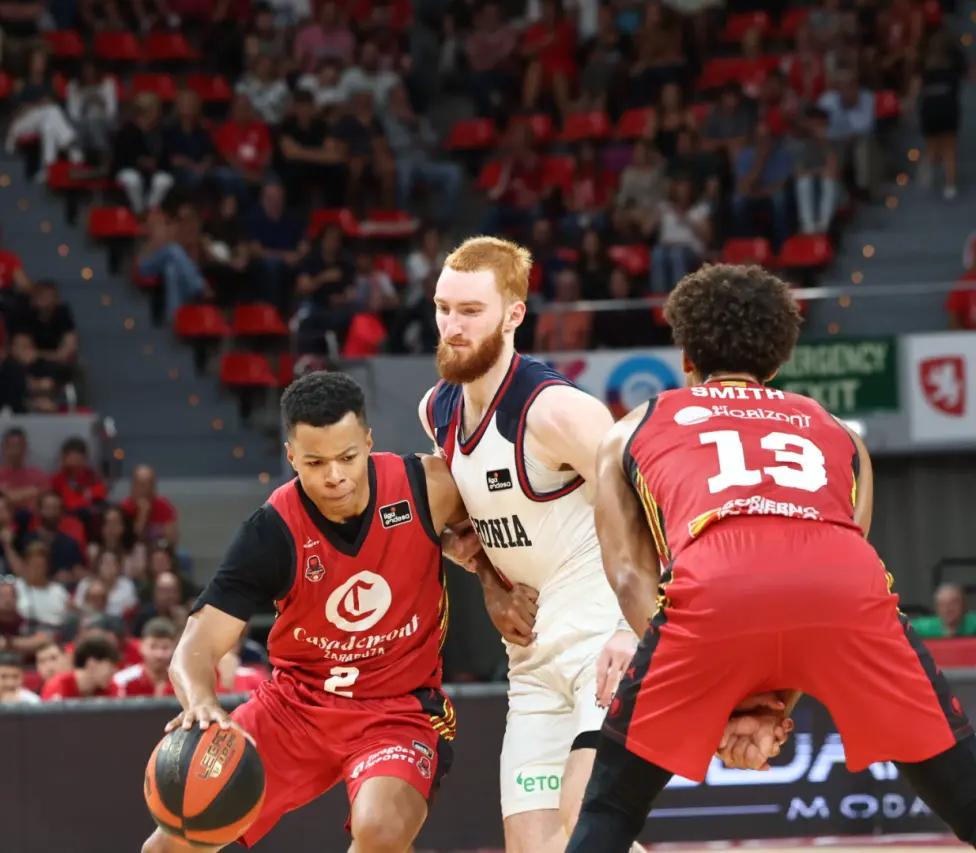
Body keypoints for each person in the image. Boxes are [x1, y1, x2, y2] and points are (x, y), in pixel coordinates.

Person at [564, 264, 976, 853]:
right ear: (777, 364)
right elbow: (811, 599)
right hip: (844, 585)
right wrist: (770, 705)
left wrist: (722, 695)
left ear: (687, 358)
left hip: (714, 584)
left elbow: (630, 576)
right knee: (964, 791)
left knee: (611, 806)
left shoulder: (631, 428)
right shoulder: (841, 434)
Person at [419, 237, 781, 853]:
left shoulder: (556, 411)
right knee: (535, 847)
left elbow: (661, 508)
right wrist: (488, 584)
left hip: (604, 645)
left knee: (585, 819)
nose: (452, 327)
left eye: (471, 311)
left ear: (513, 314)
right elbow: (475, 526)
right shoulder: (438, 410)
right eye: (443, 308)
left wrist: (636, 626)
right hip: (532, 661)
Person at [145, 371, 489, 853]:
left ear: (368, 442)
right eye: (315, 462)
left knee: (382, 831)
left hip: (398, 709)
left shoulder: (427, 486)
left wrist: (491, 582)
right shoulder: (271, 531)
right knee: (169, 846)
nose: (334, 476)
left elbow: (495, 538)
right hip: (296, 706)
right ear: (291, 458)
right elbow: (197, 643)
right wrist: (200, 702)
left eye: (347, 457)